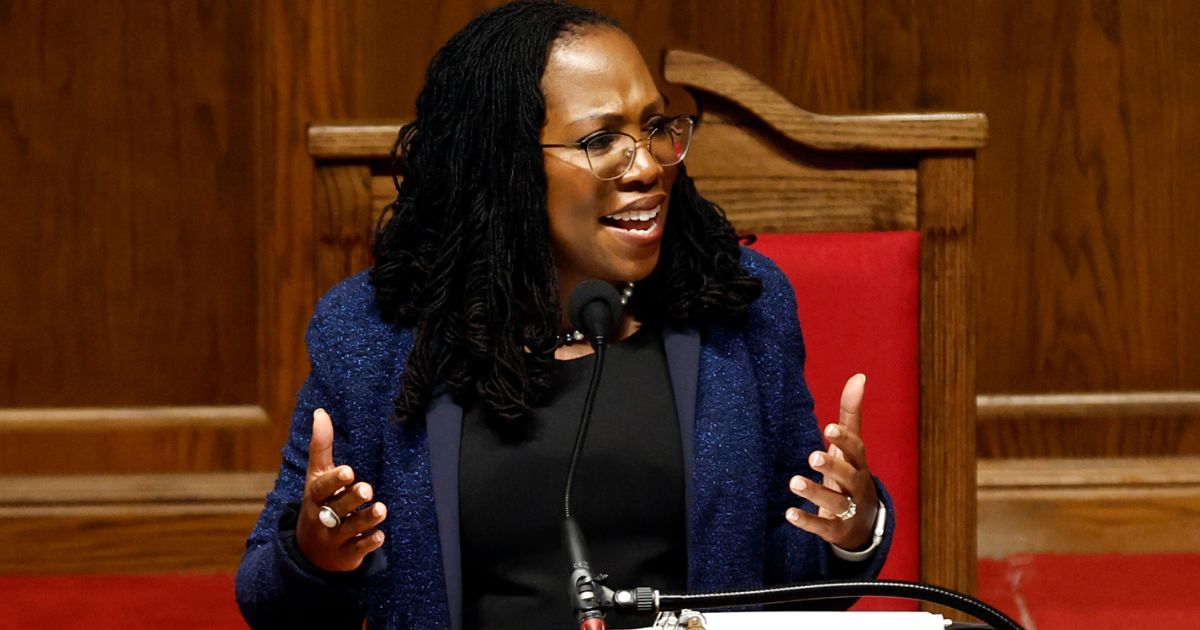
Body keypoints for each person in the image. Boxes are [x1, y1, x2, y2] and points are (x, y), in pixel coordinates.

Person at [236, 1, 894, 628]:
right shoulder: (376, 333)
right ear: (507, 166)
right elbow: (269, 601)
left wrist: (853, 528)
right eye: (603, 138)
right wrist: (316, 555)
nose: (647, 168)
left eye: (656, 126)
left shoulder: (736, 307)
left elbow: (787, 581)